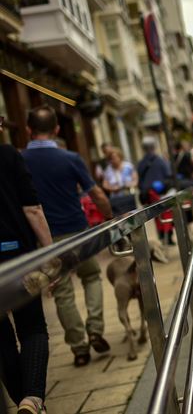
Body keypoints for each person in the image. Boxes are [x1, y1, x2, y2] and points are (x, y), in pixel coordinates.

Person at [22, 105, 113, 368]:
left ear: (28, 130)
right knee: (91, 275)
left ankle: (79, 347)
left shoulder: (21, 159)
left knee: (61, 291)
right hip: (78, 232)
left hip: (47, 238)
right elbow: (96, 194)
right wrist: (109, 216)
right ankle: (95, 329)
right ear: (57, 129)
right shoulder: (70, 158)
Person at [0, 115, 52, 413]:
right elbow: (32, 209)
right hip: (16, 255)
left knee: (1, 338)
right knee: (32, 327)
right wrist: (51, 255)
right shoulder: (8, 154)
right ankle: (32, 399)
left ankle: (28, 404)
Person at [137, 137, 173, 242]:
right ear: (154, 147)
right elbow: (168, 175)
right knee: (165, 213)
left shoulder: (141, 163)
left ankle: (161, 235)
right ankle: (168, 236)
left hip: (148, 194)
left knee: (155, 215)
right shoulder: (160, 161)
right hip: (160, 193)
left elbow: (140, 179)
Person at [102, 147, 138, 216]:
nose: (113, 160)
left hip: (129, 197)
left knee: (133, 217)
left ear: (120, 157)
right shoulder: (108, 170)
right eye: (111, 158)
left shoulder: (128, 166)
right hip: (116, 199)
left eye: (115, 157)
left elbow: (135, 180)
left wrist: (130, 185)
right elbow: (104, 185)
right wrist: (112, 188)